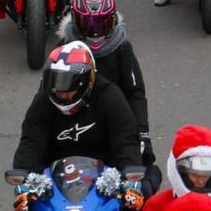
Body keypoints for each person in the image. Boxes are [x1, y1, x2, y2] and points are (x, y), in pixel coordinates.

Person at [58, 0, 153, 166]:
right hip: (73, 133)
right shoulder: (63, 49)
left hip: (115, 128)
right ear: (76, 21)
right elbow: (46, 97)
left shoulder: (122, 48)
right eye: (88, 24)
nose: (95, 32)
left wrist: (142, 134)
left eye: (101, 23)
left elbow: (135, 93)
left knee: (143, 176)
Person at [12, 41, 141, 174]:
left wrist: (128, 173)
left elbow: (125, 142)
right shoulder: (43, 100)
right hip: (54, 175)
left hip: (104, 175)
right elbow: (31, 143)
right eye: (55, 80)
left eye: (66, 83)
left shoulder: (110, 97)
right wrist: (24, 172)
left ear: (85, 81)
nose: (61, 92)